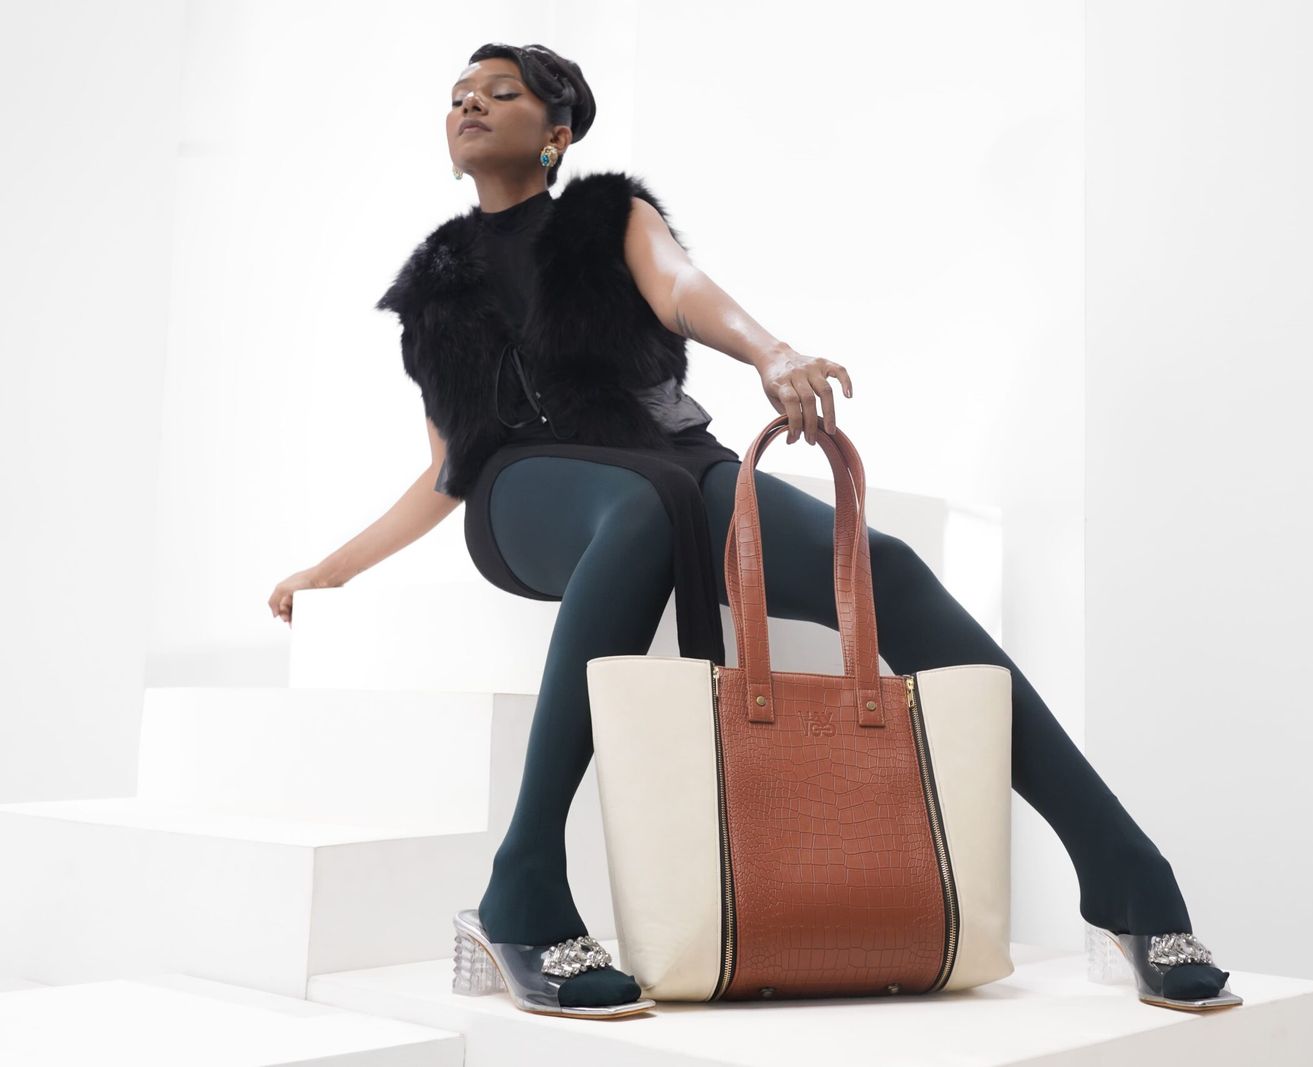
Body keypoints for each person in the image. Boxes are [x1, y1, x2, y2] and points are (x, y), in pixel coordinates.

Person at [267, 41, 1240, 1019]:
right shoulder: (432, 290)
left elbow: (681, 288)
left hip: (673, 463)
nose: (470, 104)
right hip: (524, 492)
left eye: (500, 91)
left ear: (556, 132)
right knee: (637, 515)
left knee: (880, 563)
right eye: (458, 96)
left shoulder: (610, 216)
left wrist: (771, 353)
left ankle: (1123, 869)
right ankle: (521, 886)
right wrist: (331, 570)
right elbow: (446, 468)